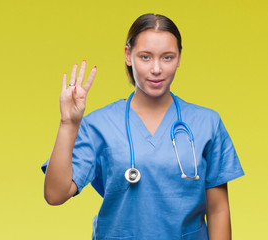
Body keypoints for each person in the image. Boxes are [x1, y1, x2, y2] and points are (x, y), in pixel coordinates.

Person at [41, 13, 244, 240]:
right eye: (145, 57)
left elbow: (218, 210)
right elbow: (55, 195)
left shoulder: (207, 123)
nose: (156, 69)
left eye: (167, 57)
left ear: (179, 58)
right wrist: (68, 124)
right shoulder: (99, 125)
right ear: (128, 55)